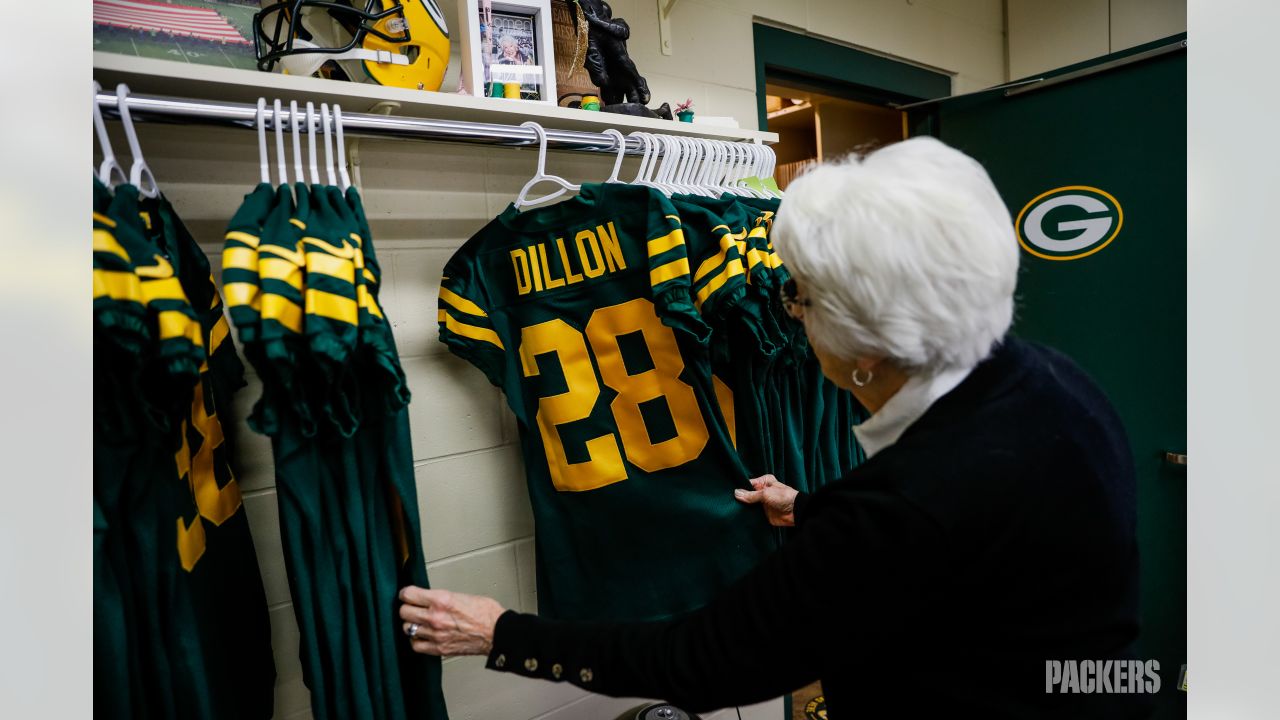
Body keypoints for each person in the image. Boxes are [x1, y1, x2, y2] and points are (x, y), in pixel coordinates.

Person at [397, 137, 1150, 717]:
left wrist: (501, 633)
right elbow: (967, 531)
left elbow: (704, 659)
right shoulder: (1055, 381)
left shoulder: (898, 510)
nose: (789, 313)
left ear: (865, 348)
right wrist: (813, 511)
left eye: (799, 299)